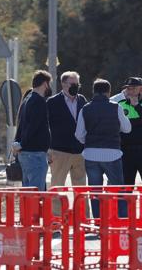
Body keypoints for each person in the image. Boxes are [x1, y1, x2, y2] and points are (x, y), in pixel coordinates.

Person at [75, 79, 131, 218]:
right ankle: (121, 219)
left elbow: (79, 134)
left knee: (95, 192)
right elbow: (127, 128)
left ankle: (99, 222)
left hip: (91, 154)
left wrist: (89, 142)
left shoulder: (85, 109)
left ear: (94, 91)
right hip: (112, 153)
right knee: (119, 190)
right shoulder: (115, 107)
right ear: (108, 92)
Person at [47, 71, 88, 214]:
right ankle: (56, 220)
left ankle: (83, 219)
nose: (76, 87)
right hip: (59, 151)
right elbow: (46, 126)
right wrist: (47, 149)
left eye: (78, 84)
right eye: (73, 84)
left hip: (79, 152)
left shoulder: (82, 100)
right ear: (63, 84)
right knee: (57, 187)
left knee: (81, 189)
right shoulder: (52, 102)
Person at [13, 70, 53, 191]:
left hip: (25, 154)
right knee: (37, 194)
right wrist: (22, 144)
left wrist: (18, 143)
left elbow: (21, 125)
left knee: (28, 193)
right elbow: (33, 127)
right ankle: (35, 211)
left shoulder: (27, 100)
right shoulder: (39, 101)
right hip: (35, 154)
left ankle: (28, 211)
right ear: (45, 84)